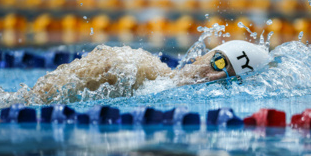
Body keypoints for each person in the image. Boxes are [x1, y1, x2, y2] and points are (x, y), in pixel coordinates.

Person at [26, 40, 269, 104]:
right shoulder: (134, 66)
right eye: (219, 63)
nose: (215, 76)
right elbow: (36, 98)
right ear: (198, 56)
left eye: (229, 79)